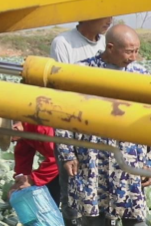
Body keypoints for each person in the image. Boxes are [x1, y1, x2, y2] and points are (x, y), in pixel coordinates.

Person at [56, 24, 150, 226]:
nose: (134, 57)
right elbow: (62, 114)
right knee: (93, 219)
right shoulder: (82, 73)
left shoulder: (141, 76)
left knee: (134, 218)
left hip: (129, 162)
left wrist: (150, 161)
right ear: (110, 48)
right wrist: (67, 154)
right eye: (129, 51)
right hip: (90, 161)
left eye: (136, 51)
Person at [49, 16, 112, 224]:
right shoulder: (64, 43)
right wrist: (67, 151)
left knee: (103, 196)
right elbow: (61, 96)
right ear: (87, 15)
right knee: (73, 196)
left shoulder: (106, 42)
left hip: (102, 134)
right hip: (74, 133)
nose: (109, 20)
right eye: (104, 15)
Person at [8, 121, 61, 205]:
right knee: (50, 195)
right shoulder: (24, 133)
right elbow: (23, 155)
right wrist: (20, 180)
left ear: (15, 128)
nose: (13, 141)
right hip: (60, 162)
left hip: (76, 159)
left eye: (12, 139)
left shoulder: (41, 128)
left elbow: (58, 157)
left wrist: (32, 179)